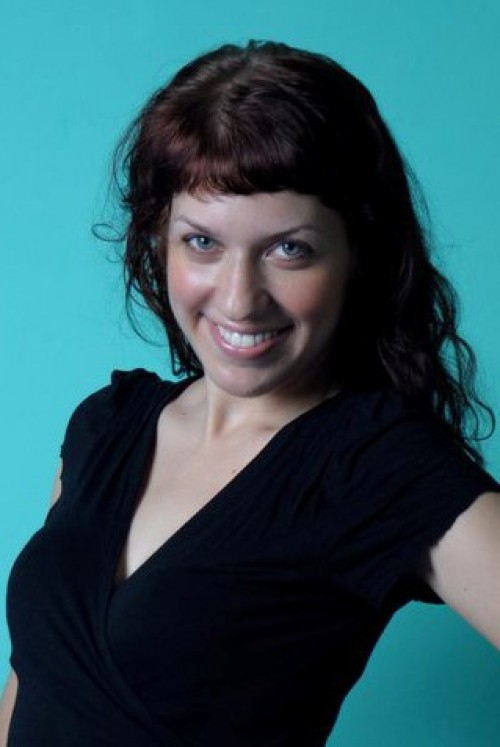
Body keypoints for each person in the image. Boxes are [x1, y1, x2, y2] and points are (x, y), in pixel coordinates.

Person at [1, 40, 499, 747]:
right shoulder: (105, 426)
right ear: (159, 240)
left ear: (357, 255)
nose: (239, 298)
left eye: (289, 249)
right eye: (202, 242)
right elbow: (34, 682)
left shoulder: (376, 467)